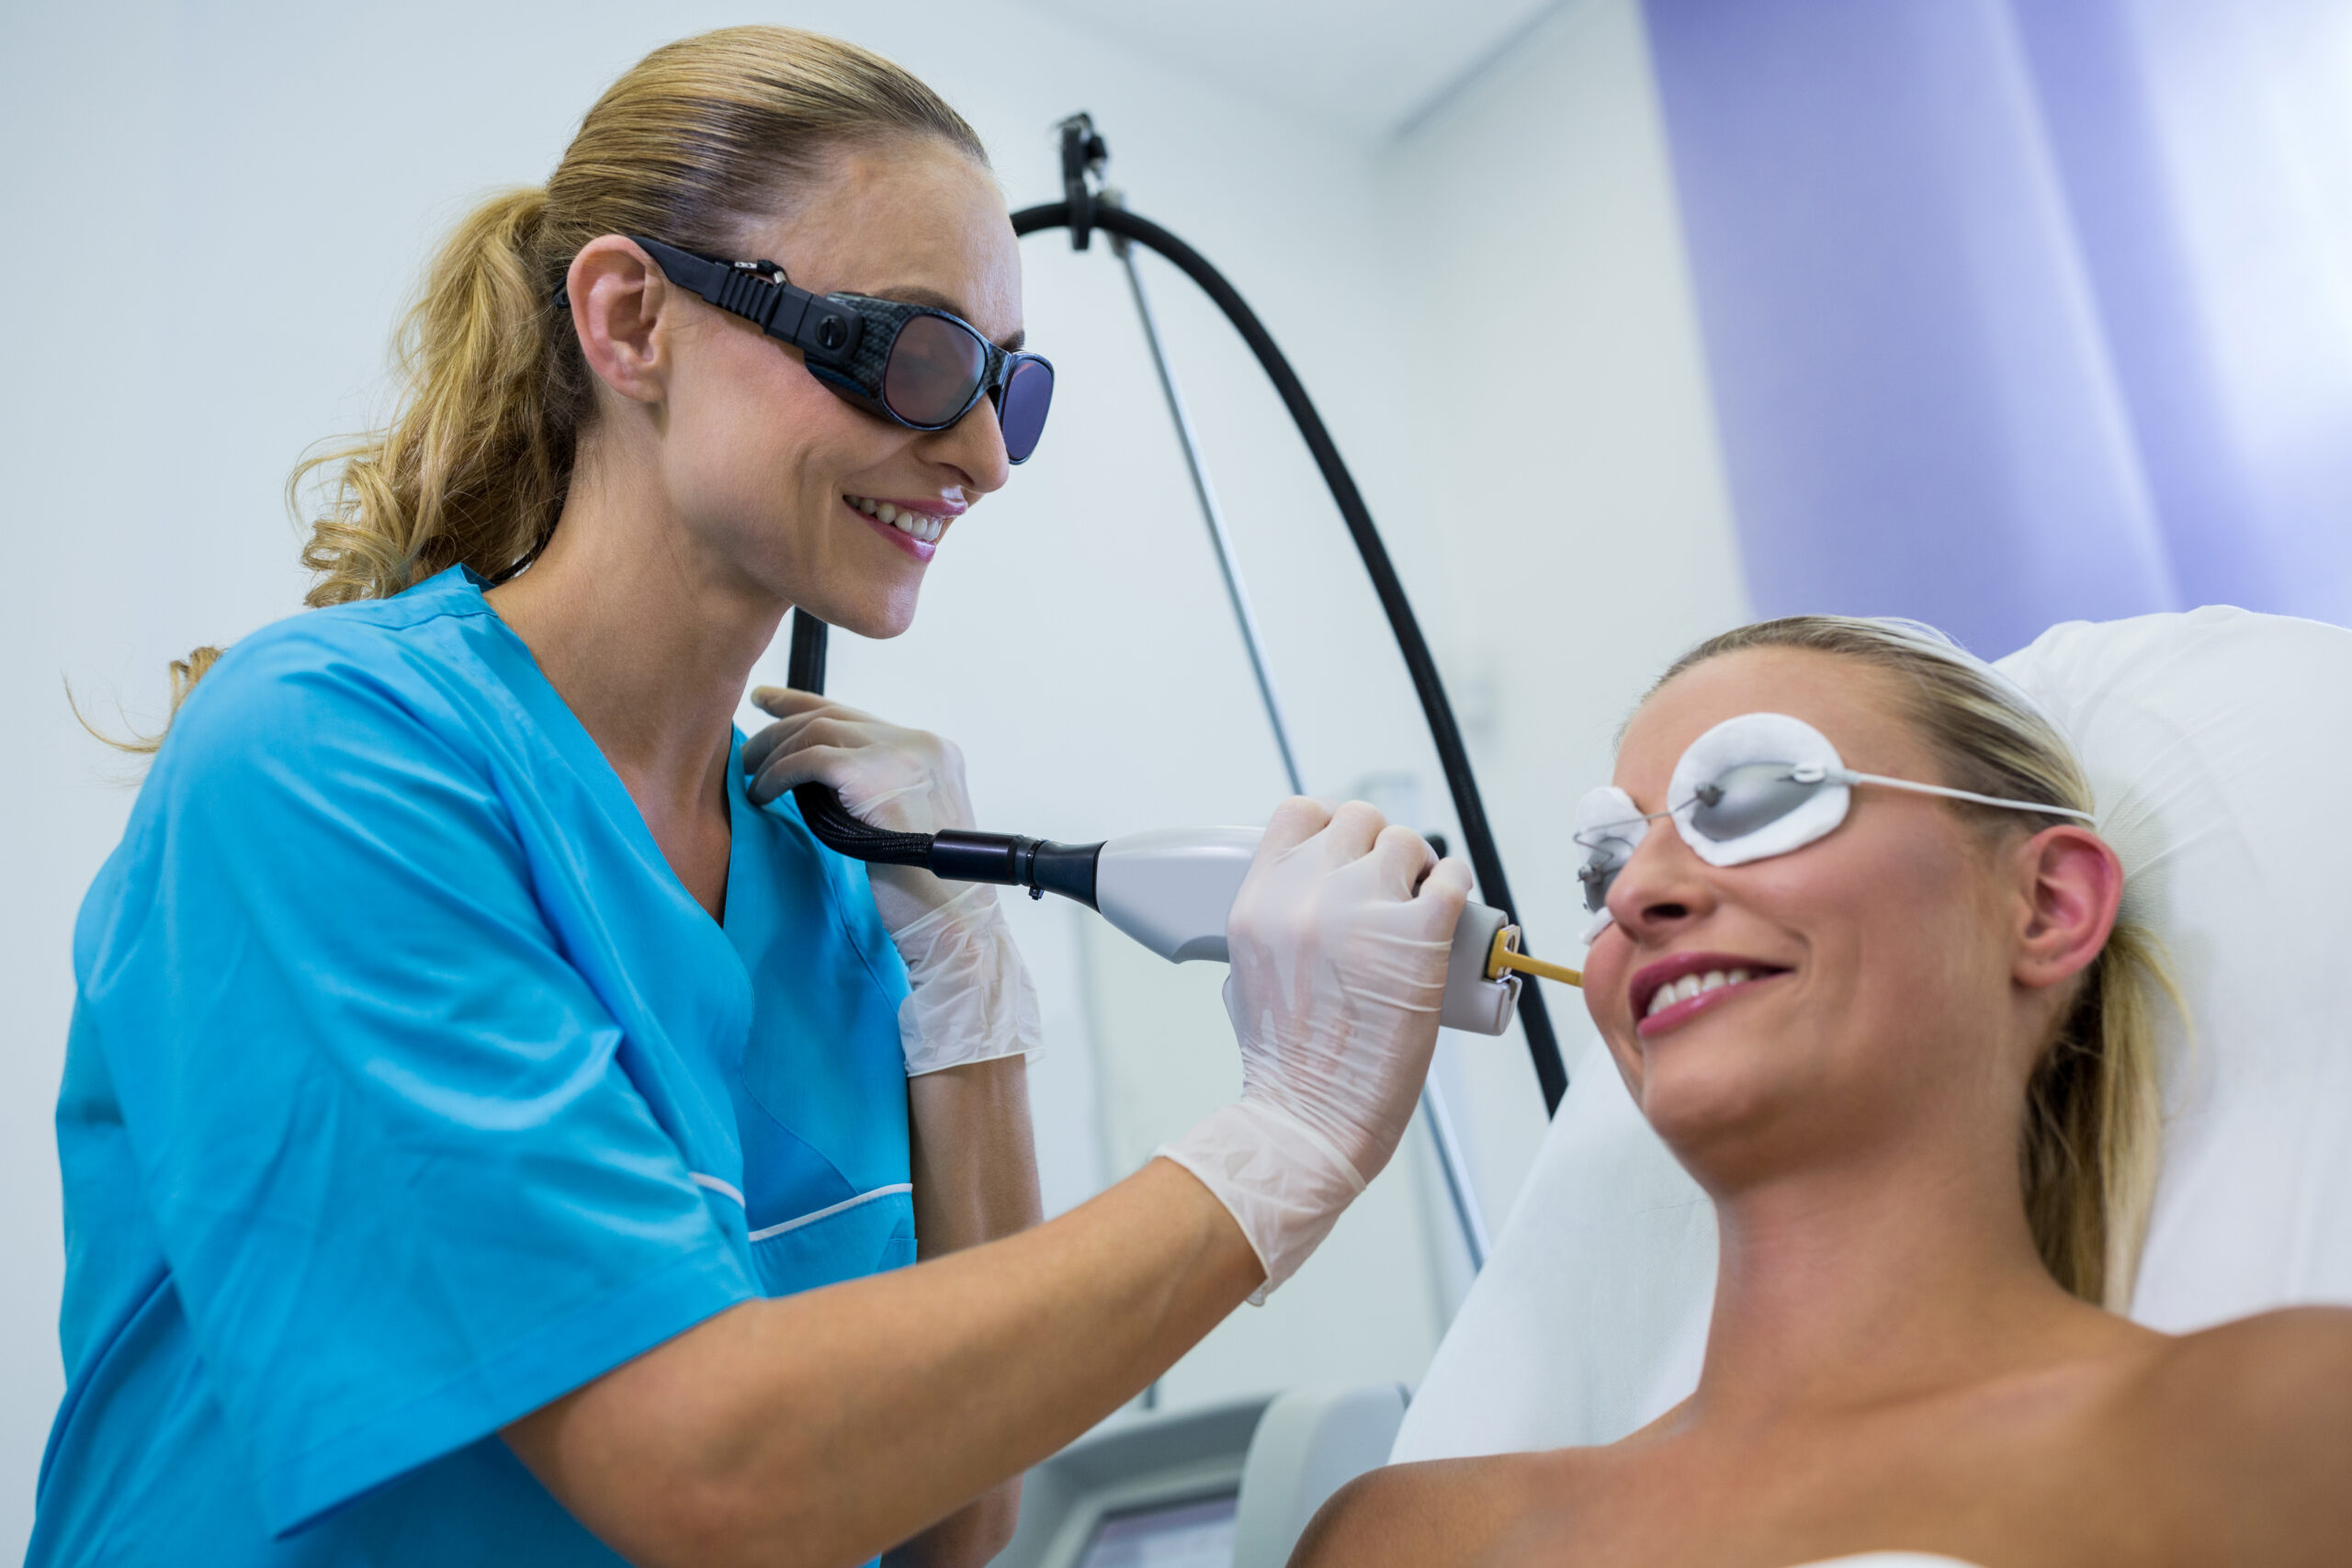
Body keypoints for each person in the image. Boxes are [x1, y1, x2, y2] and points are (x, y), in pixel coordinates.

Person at [30, 27, 1471, 1568]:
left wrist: (968, 1016)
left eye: (1009, 386)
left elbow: (955, 1517)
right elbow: (708, 1474)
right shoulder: (331, 759)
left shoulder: (834, 872)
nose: (983, 454)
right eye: (913, 356)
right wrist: (1280, 1142)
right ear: (631, 318)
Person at [1296, 616, 2352, 1568]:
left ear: (2046, 904)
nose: (1634, 891)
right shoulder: (1408, 1538)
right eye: (1601, 864)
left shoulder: (2286, 1429)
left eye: (1755, 797)